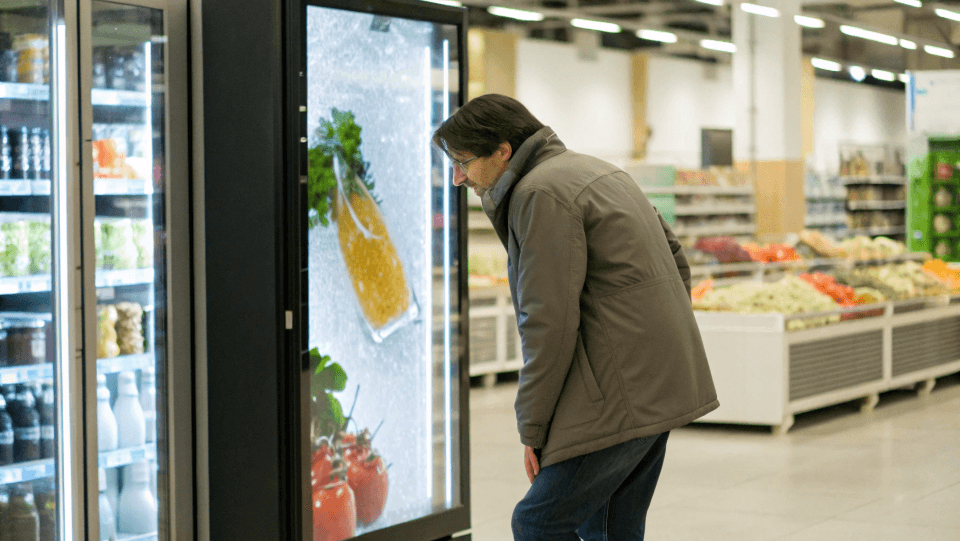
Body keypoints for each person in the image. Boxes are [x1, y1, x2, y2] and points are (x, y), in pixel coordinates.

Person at [433, 94, 719, 541]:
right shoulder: (599, 170)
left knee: (538, 522)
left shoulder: (538, 193)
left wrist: (532, 427)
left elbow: (548, 322)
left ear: (503, 151)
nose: (457, 176)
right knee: (610, 526)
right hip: (663, 381)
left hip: (621, 392)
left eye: (463, 161)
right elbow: (678, 262)